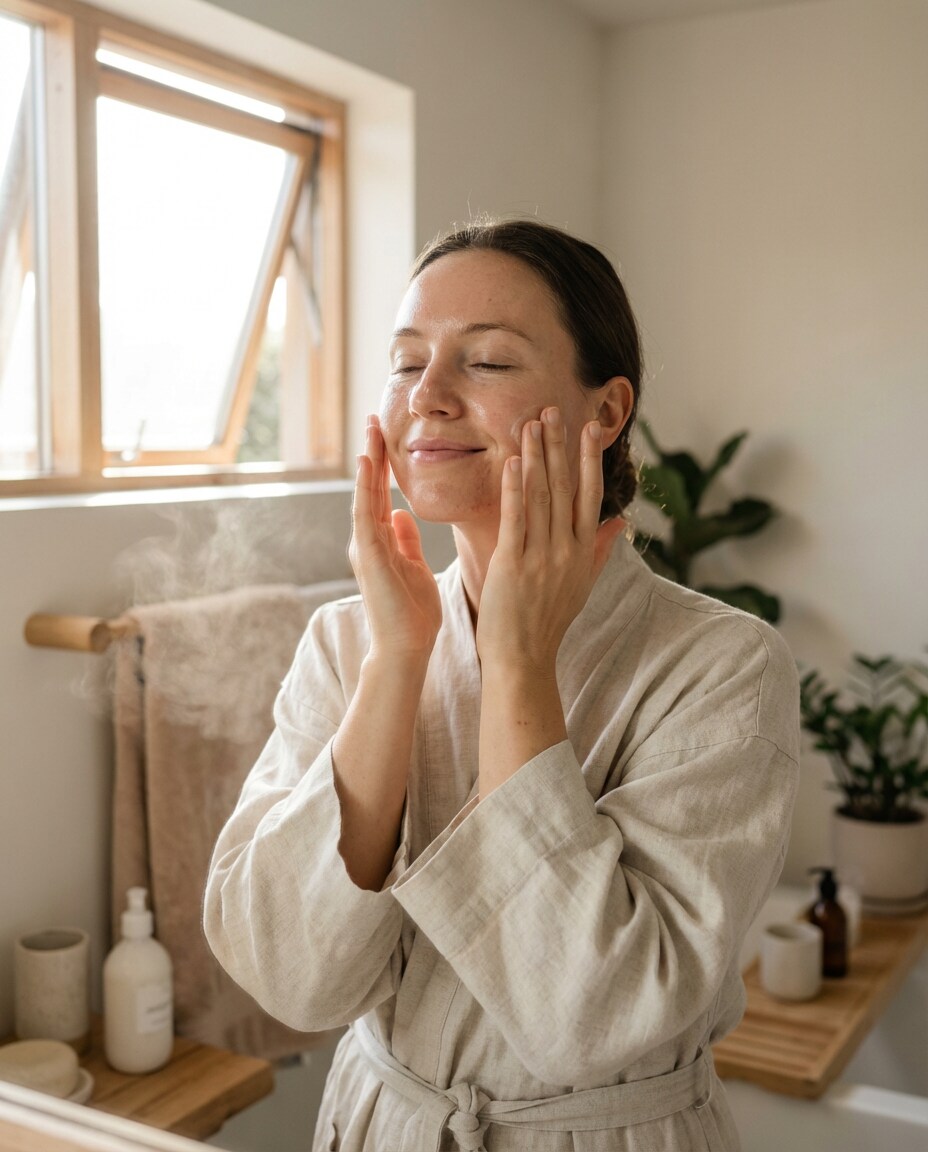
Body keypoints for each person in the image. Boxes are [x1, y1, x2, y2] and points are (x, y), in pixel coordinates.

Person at [204, 219, 800, 1151]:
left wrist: (519, 666)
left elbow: (595, 1018)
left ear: (603, 412)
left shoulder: (721, 666)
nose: (428, 398)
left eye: (484, 362)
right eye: (406, 364)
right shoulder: (349, 641)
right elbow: (292, 981)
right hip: (381, 1124)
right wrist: (397, 665)